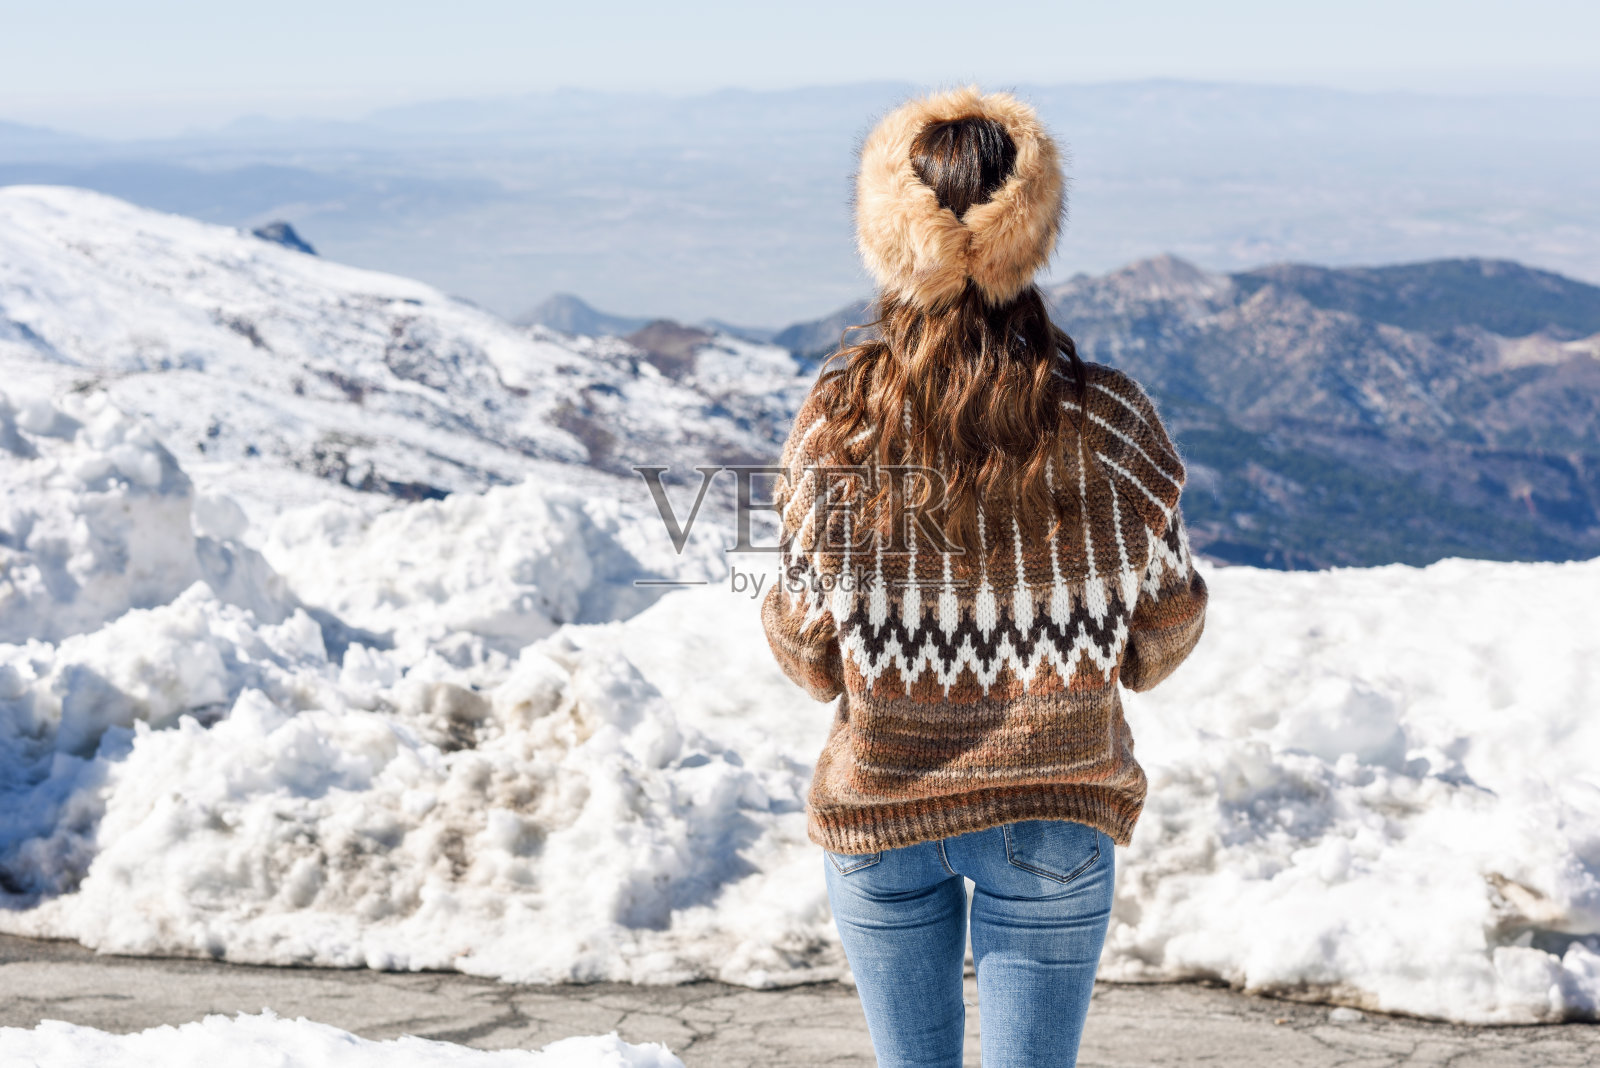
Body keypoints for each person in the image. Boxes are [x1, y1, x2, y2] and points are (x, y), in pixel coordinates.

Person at [760, 86, 1209, 1068]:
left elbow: (806, 649)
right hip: (1050, 807)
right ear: (1031, 231)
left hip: (881, 804)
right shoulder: (1113, 420)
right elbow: (1161, 635)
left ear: (888, 237)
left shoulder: (837, 422)